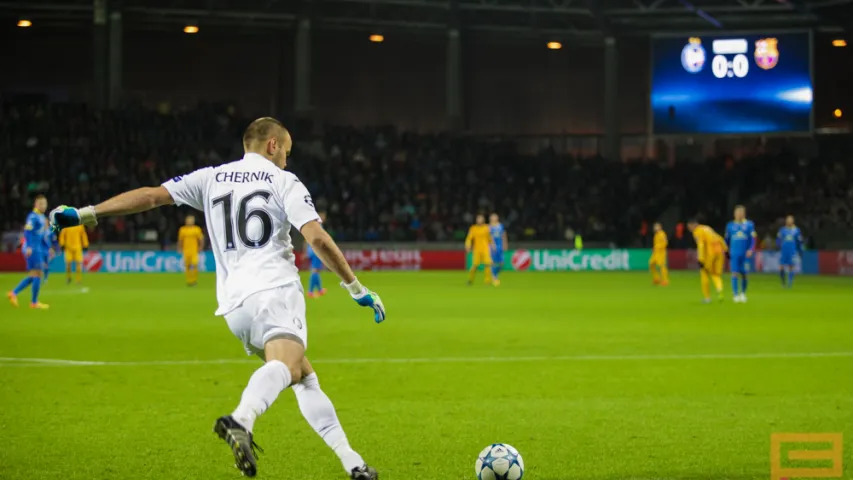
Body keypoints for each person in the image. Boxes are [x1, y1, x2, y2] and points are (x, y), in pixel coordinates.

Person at [49, 117, 385, 480]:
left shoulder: (210, 177)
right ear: (272, 145)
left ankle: (353, 462)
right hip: (274, 290)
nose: (287, 161)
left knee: (303, 375)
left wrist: (86, 213)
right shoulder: (284, 181)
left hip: (234, 305)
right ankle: (241, 419)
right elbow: (316, 238)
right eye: (286, 152)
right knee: (287, 367)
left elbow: (149, 196)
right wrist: (356, 288)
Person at [7, 195, 51, 309]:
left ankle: (14, 293)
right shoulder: (33, 216)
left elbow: (42, 235)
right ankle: (33, 302)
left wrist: (47, 248)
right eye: (41, 204)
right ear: (35, 204)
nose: (43, 206)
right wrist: (30, 247)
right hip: (33, 248)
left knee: (34, 275)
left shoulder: (42, 217)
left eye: (45, 203)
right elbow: (27, 231)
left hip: (38, 248)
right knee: (37, 274)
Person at [688, 219, 727, 303]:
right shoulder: (707, 228)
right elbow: (719, 237)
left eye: (690, 227)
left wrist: (700, 259)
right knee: (715, 274)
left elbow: (701, 245)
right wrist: (726, 249)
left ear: (693, 225)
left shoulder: (697, 231)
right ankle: (719, 290)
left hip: (710, 254)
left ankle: (707, 298)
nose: (689, 229)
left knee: (704, 274)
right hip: (719, 251)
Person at [725, 205, 756, 303]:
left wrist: (751, 249)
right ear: (734, 214)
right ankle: (735, 294)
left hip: (745, 254)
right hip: (734, 253)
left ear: (744, 214)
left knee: (745, 274)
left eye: (741, 213)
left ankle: (743, 293)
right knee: (734, 273)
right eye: (737, 213)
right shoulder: (730, 226)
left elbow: (753, 239)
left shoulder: (749, 225)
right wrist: (726, 250)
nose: (739, 214)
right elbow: (726, 240)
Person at [465, 213, 495, 286]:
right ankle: (470, 280)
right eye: (478, 219)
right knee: (474, 266)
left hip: (485, 249)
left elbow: (489, 238)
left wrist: (493, 245)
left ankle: (487, 281)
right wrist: (468, 245)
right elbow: (469, 238)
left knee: (487, 265)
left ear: (483, 220)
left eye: (480, 219)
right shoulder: (473, 228)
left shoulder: (486, 228)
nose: (479, 220)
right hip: (477, 250)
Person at [177, 214, 205, 286]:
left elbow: (201, 239)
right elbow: (180, 240)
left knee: (195, 265)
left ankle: (194, 280)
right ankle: (189, 280)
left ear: (193, 221)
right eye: (188, 220)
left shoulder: (197, 229)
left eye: (191, 220)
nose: (189, 222)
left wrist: (201, 247)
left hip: (194, 251)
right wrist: (179, 248)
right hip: (186, 251)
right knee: (187, 266)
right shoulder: (182, 229)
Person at [306, 211, 328, 298]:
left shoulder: (312, 225)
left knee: (316, 270)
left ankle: (319, 289)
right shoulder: (318, 226)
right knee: (315, 270)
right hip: (316, 251)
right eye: (322, 217)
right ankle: (310, 291)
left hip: (311, 250)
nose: (324, 219)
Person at [776, 215, 803, 288]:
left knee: (791, 266)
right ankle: (783, 282)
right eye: (788, 220)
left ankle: (790, 283)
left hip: (792, 251)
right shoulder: (782, 230)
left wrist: (800, 250)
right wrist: (778, 245)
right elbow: (778, 239)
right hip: (784, 251)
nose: (789, 221)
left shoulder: (796, 230)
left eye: (790, 220)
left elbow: (799, 241)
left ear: (793, 221)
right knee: (781, 267)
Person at [488, 213, 507, 286]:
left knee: (502, 263)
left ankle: (495, 274)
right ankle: (494, 277)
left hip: (500, 246)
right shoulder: (489, 227)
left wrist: (505, 244)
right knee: (493, 262)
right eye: (492, 217)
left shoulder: (500, 226)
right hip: (493, 246)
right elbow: (489, 236)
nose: (494, 218)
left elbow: (503, 235)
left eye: (495, 217)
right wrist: (492, 245)